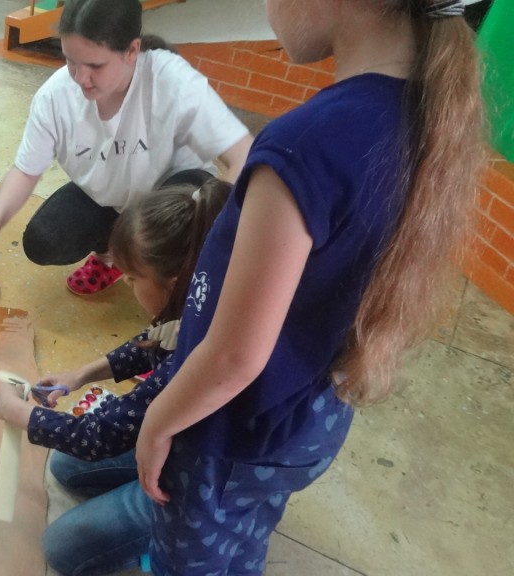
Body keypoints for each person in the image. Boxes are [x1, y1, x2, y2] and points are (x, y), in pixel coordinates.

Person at [129, 1, 485, 574]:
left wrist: (158, 421)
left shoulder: (308, 141)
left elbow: (234, 356)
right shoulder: (425, 110)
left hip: (227, 431)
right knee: (242, 535)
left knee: (191, 559)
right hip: (305, 420)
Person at [0, 178, 232, 575]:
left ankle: (172, 542)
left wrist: (17, 414)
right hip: (176, 441)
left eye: (133, 278)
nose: (127, 285)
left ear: (173, 283)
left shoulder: (194, 358)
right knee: (66, 467)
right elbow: (154, 339)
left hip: (199, 480)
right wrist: (83, 374)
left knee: (62, 549)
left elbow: (98, 437)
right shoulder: (201, 298)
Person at [0, 0, 252, 296]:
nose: (81, 78)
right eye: (71, 61)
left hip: (173, 192)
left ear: (132, 51)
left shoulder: (170, 79)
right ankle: (110, 255)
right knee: (43, 240)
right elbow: (26, 170)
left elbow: (243, 154)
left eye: (95, 66)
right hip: (108, 196)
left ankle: (176, 271)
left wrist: (214, 227)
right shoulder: (55, 97)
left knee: (169, 245)